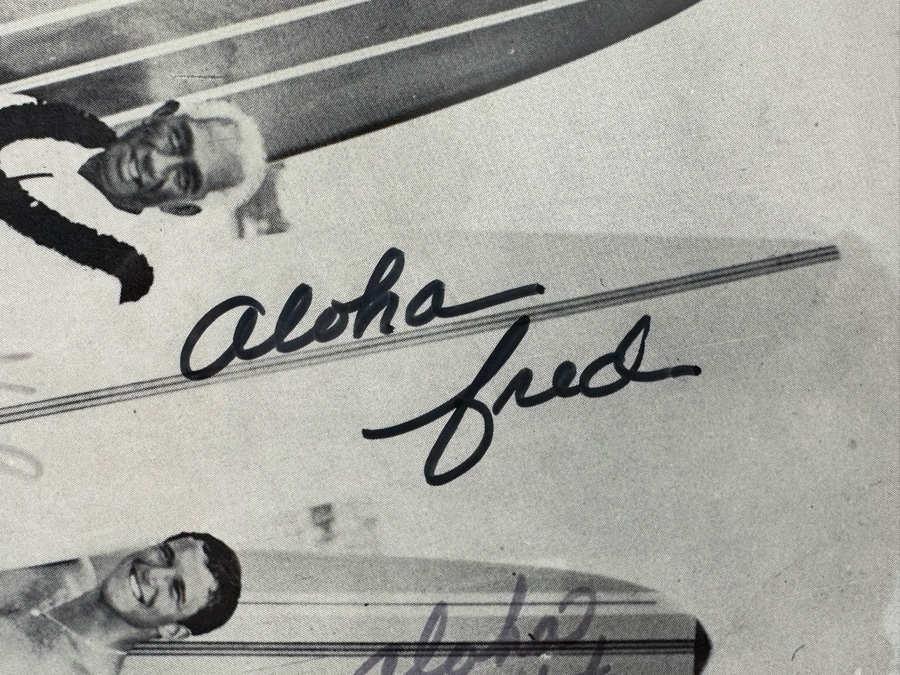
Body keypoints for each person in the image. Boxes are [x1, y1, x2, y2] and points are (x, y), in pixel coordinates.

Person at [0, 94, 268, 302]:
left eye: (185, 178)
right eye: (175, 139)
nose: (156, 163)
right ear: (159, 115)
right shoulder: (44, 117)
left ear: (181, 208)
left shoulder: (105, 275)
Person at [0, 532, 241, 675]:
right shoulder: (64, 566)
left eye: (176, 589)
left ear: (172, 630)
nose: (153, 574)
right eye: (165, 556)